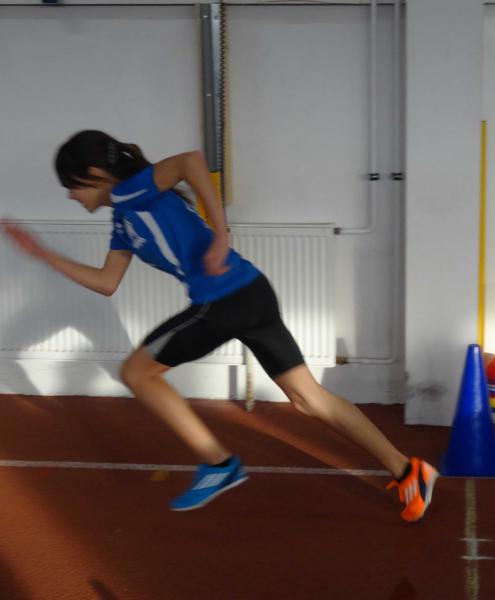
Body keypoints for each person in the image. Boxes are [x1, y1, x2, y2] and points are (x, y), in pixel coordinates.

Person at [0, 130, 437, 521]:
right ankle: (408, 470)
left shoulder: (137, 187)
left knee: (137, 373)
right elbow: (106, 282)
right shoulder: (122, 221)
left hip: (224, 300)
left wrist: (221, 235)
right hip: (250, 293)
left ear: (95, 174)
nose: (71, 196)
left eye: (72, 185)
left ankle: (218, 463)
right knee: (309, 399)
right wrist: (43, 255)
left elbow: (190, 161)